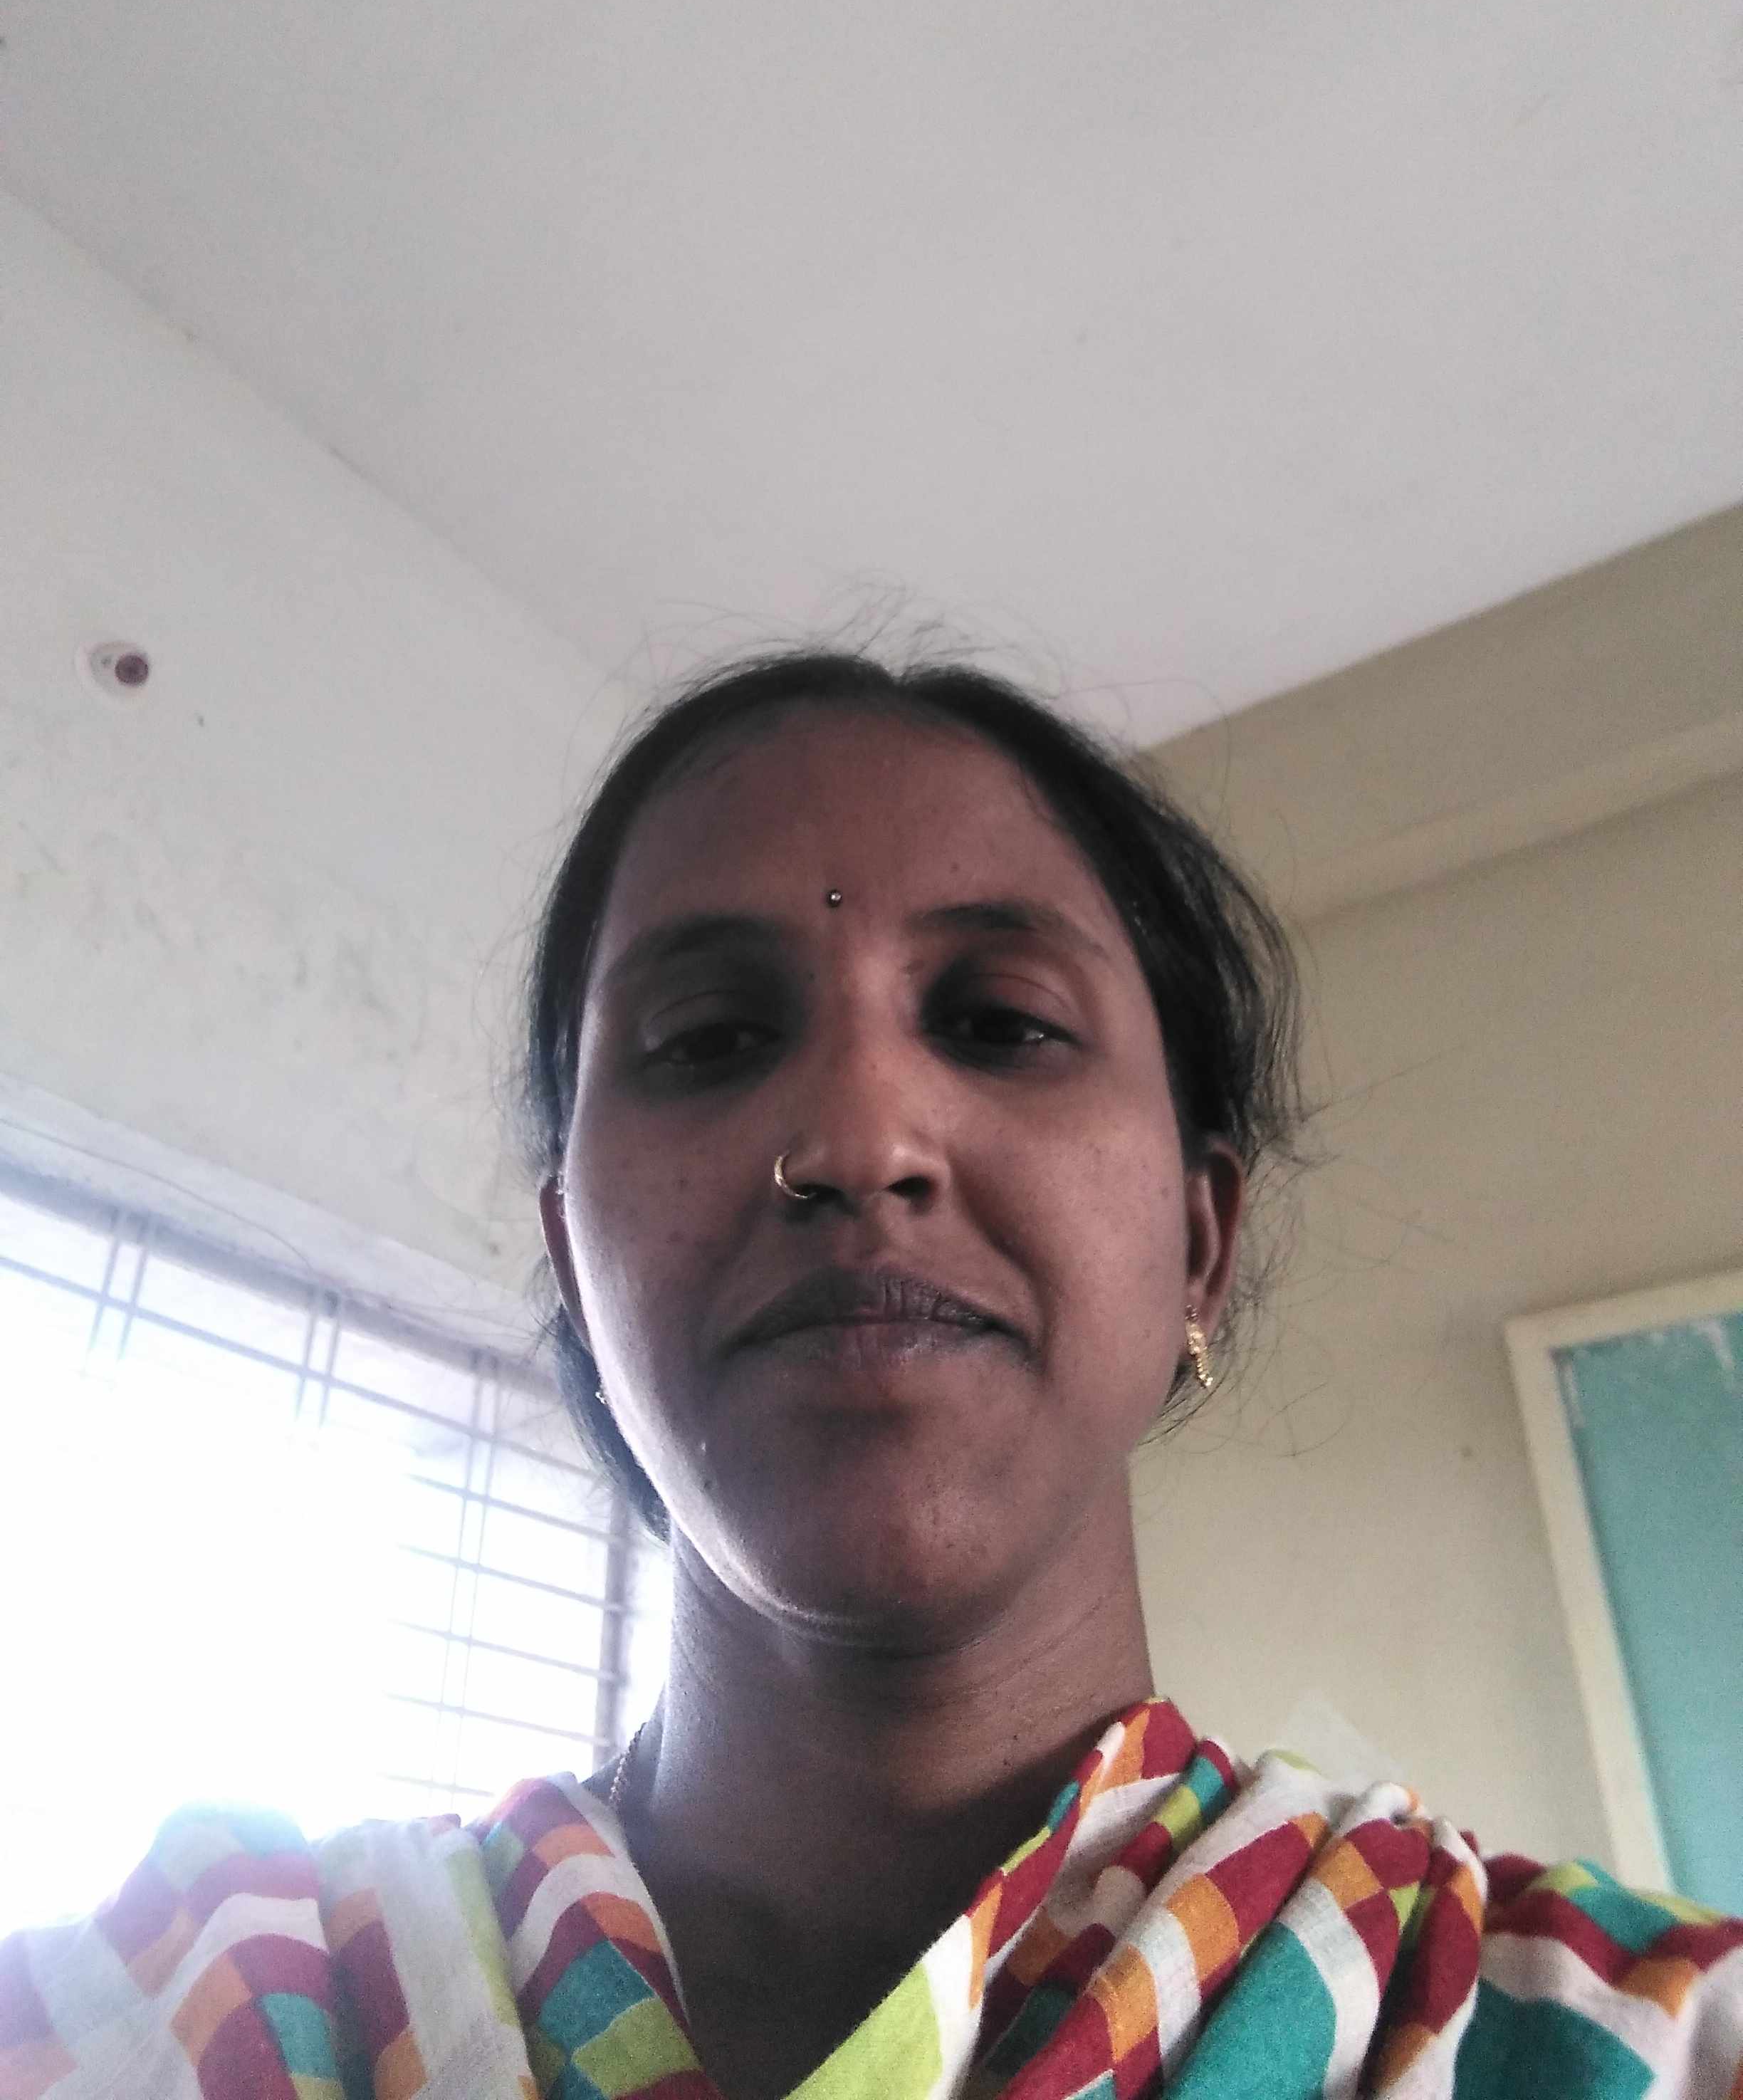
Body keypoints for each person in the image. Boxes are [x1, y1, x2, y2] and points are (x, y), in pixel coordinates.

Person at [4, 649, 1738, 2099]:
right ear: (575, 1267)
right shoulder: (184, 2016)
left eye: (1000, 1022)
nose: (855, 1141)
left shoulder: (1618, 2043)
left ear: (1200, 1240)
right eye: (708, 1039)